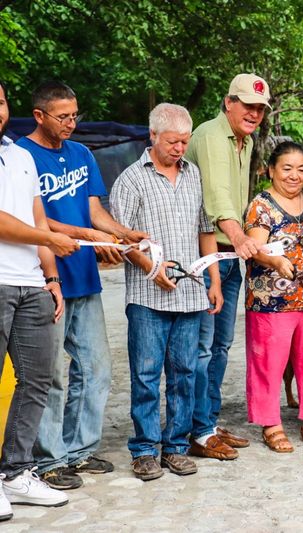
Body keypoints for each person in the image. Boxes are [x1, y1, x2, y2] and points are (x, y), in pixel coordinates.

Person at [16, 81, 146, 490]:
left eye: (76, 115)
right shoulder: (21, 156)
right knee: (51, 374)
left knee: (95, 368)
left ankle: (80, 450)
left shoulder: (82, 153)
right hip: (43, 278)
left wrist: (122, 234)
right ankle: (49, 460)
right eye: (63, 116)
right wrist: (89, 237)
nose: (72, 123)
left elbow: (93, 210)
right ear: (39, 116)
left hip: (85, 279)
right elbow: (36, 222)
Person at [110, 103, 223, 481]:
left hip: (190, 292)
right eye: (173, 141)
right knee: (145, 373)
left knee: (184, 372)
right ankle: (144, 449)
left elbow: (205, 230)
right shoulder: (131, 179)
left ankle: (175, 446)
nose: (179, 149)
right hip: (147, 297)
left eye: (184, 142)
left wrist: (215, 280)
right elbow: (122, 240)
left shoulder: (194, 175)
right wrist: (151, 268)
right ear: (153, 136)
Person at [0, 79, 77, 520]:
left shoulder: (21, 155)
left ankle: (15, 472)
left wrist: (51, 277)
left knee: (38, 380)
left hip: (31, 284)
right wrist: (47, 237)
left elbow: (36, 216)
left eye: (1, 101)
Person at [184, 73, 271, 460]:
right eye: (247, 105)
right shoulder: (209, 135)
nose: (253, 113)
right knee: (202, 347)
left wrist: (244, 246)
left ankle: (208, 422)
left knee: (221, 344)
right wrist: (242, 240)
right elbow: (217, 198)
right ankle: (196, 431)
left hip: (232, 253)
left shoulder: (247, 140)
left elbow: (238, 199)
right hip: (205, 253)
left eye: (259, 108)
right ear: (227, 102)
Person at [243, 141, 303, 453]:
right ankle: (271, 423)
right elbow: (255, 248)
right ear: (271, 170)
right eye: (287, 168)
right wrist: (276, 261)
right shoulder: (262, 205)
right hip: (272, 300)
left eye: (300, 169)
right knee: (269, 363)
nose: (294, 175)